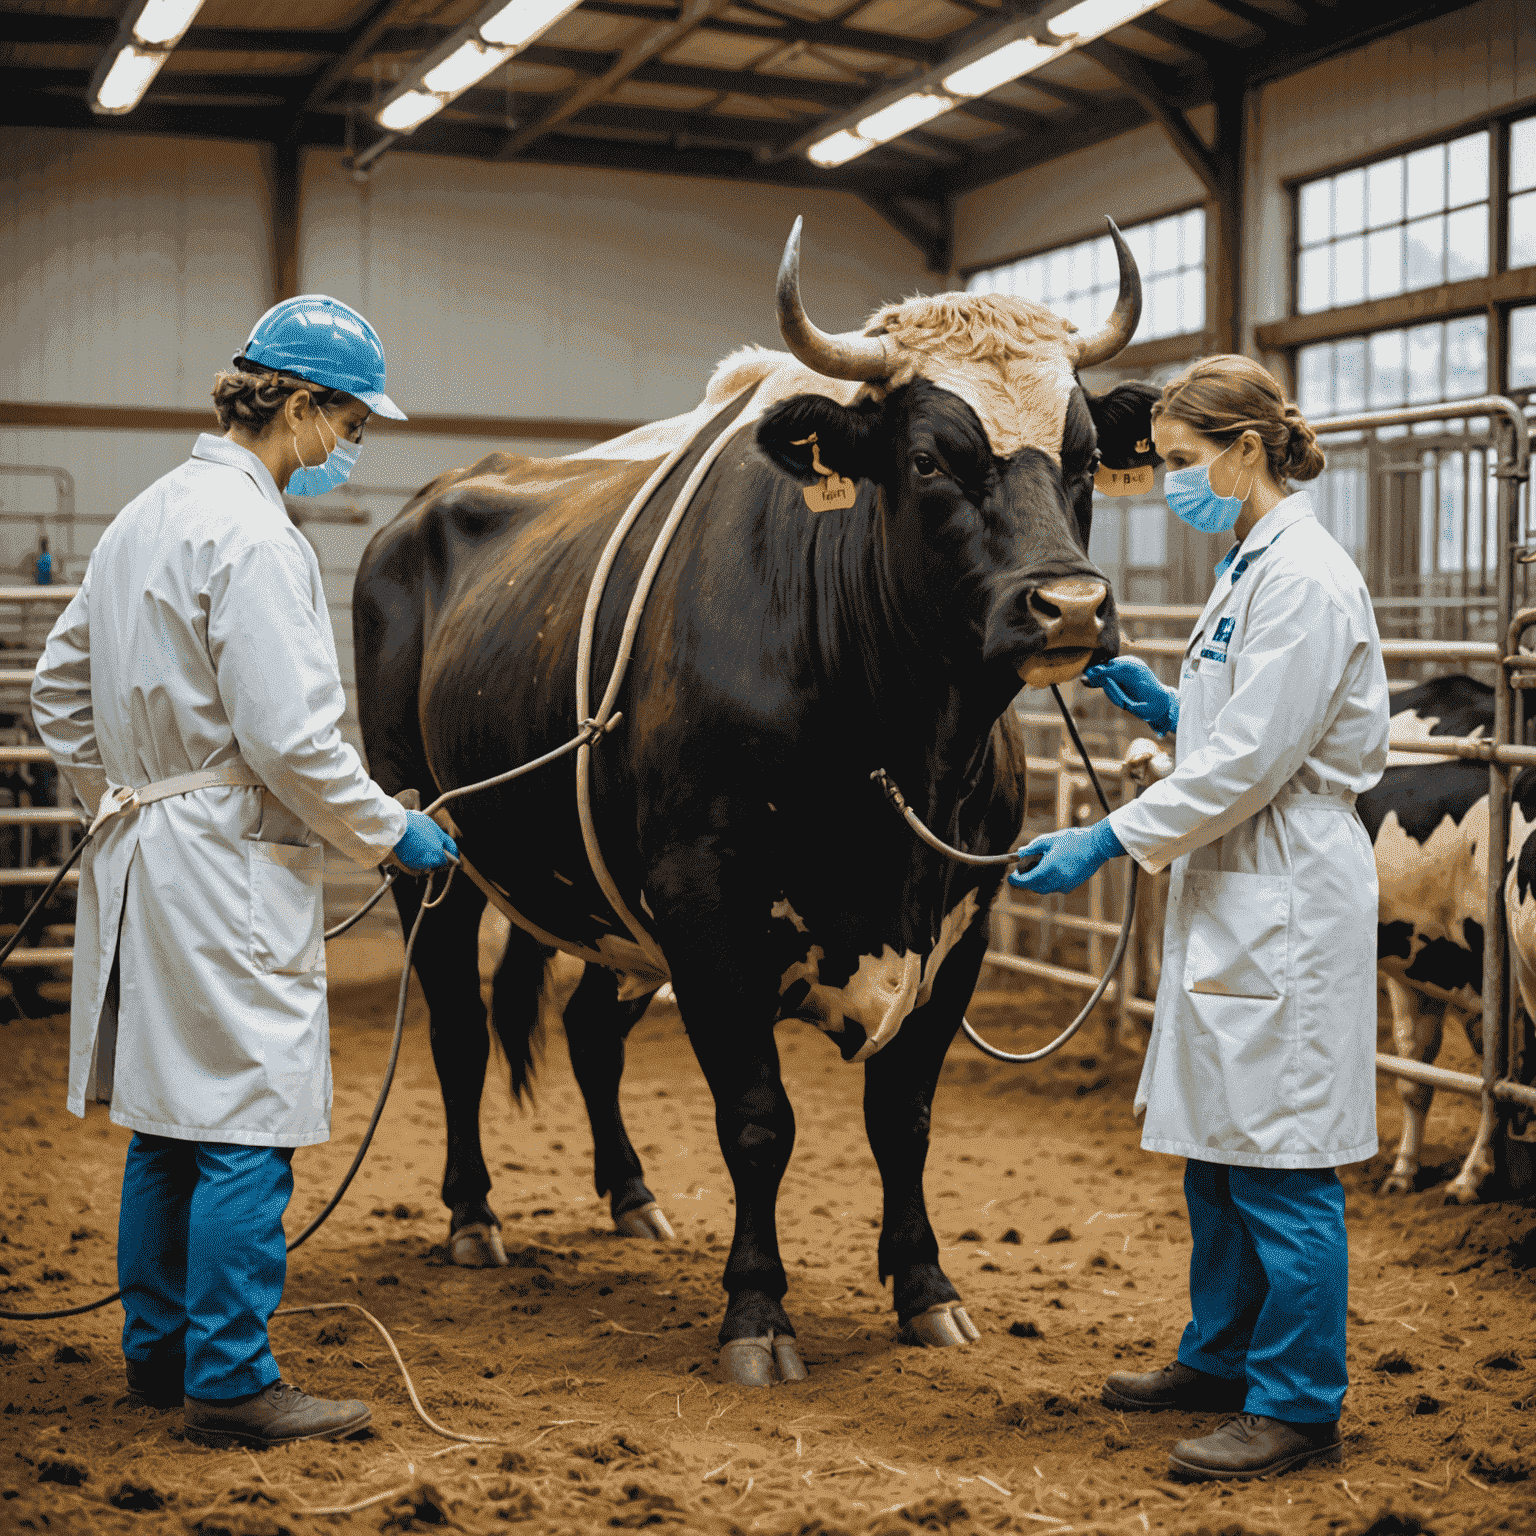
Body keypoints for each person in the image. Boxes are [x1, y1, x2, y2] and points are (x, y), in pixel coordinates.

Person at [30, 295, 459, 1451]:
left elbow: (54, 696)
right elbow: (292, 740)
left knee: (169, 1117)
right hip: (223, 865)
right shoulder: (257, 535)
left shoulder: (143, 517)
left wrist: (129, 793)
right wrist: (390, 831)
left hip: (145, 851)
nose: (349, 446)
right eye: (350, 423)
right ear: (303, 407)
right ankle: (230, 1379)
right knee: (245, 1123)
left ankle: (159, 1357)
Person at [1009, 355, 1389, 1481]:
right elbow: (1242, 729)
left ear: (1246, 452)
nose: (1169, 485)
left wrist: (1105, 838)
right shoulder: (1249, 564)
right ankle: (1220, 1354)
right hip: (1236, 878)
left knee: (1282, 1158)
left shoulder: (1307, 575)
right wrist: (1162, 698)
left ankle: (1298, 1402)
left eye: (1178, 464)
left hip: (1284, 877)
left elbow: (1257, 762)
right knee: (1217, 1151)